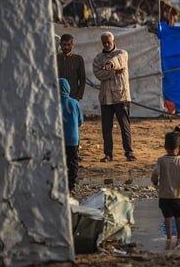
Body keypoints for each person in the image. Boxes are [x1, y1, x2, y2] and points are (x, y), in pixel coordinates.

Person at [92, 31, 135, 162]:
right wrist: (115, 72)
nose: (106, 44)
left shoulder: (122, 53)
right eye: (104, 42)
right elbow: (98, 74)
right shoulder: (98, 58)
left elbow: (119, 60)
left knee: (124, 126)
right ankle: (108, 154)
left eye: (108, 42)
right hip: (106, 98)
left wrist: (110, 65)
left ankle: (129, 152)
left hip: (121, 96)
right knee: (106, 128)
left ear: (113, 41)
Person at [151, 132, 180, 242]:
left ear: (165, 147)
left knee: (167, 216)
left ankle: (168, 237)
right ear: (179, 147)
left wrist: (155, 183)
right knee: (178, 216)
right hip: (178, 195)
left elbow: (155, 173)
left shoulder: (161, 160)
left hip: (164, 195)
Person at [59, 78, 84, 192]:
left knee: (60, 162)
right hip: (73, 139)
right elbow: (80, 120)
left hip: (59, 139)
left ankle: (61, 184)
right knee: (73, 161)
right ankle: (72, 185)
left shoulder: (54, 104)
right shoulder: (74, 103)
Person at [57, 34, 87, 101]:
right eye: (64, 45)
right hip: (58, 97)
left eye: (69, 44)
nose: (66, 47)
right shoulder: (55, 59)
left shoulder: (78, 59)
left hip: (73, 96)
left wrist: (78, 96)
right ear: (60, 45)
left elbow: (82, 79)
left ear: (72, 45)